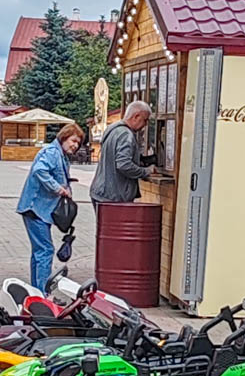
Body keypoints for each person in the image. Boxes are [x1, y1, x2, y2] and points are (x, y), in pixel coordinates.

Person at [16, 122, 84, 290]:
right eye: (73, 141)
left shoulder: (60, 155)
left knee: (39, 251)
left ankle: (36, 292)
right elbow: (39, 170)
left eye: (78, 143)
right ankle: (42, 294)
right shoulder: (52, 153)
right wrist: (58, 188)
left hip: (40, 210)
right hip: (35, 209)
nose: (75, 146)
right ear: (64, 138)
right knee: (45, 250)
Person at [90, 100, 154, 208]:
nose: (146, 124)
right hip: (113, 196)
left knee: (103, 225)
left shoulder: (112, 129)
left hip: (101, 192)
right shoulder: (126, 135)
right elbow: (124, 164)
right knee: (115, 225)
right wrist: (146, 172)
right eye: (145, 120)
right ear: (136, 116)